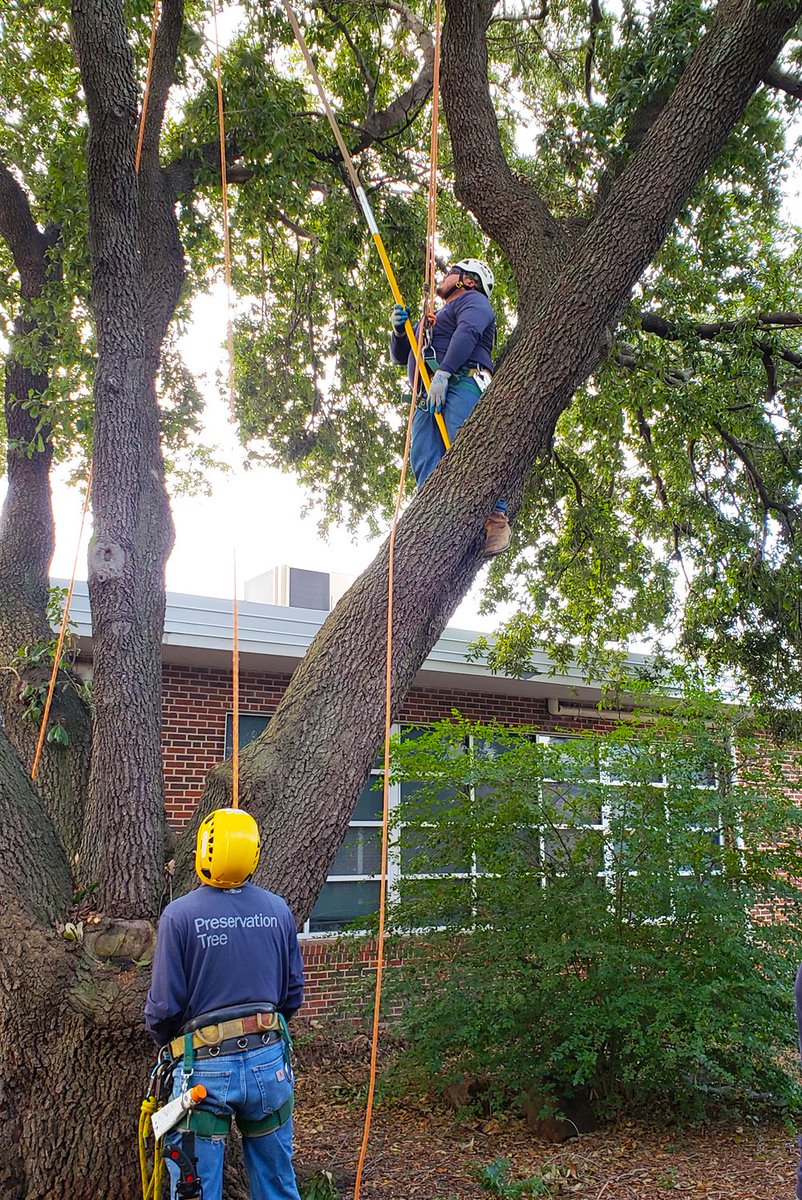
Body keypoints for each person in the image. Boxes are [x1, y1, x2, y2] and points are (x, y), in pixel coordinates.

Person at [145, 807, 305, 1200]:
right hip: (269, 1063)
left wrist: (167, 1040)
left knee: (194, 1189)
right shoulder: (277, 910)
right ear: (253, 855)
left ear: (203, 849)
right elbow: (292, 993)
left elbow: (164, 1007)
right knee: (278, 1184)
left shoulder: (180, 916)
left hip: (202, 1068)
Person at [390, 257, 510, 555]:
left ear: (469, 280)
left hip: (461, 382)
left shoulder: (474, 301)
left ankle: (496, 518)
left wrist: (444, 372)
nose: (444, 276)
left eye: (451, 273)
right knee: (423, 457)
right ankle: (433, 522)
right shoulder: (432, 319)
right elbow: (401, 354)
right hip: (427, 396)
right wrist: (400, 331)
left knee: (468, 444)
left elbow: (467, 332)